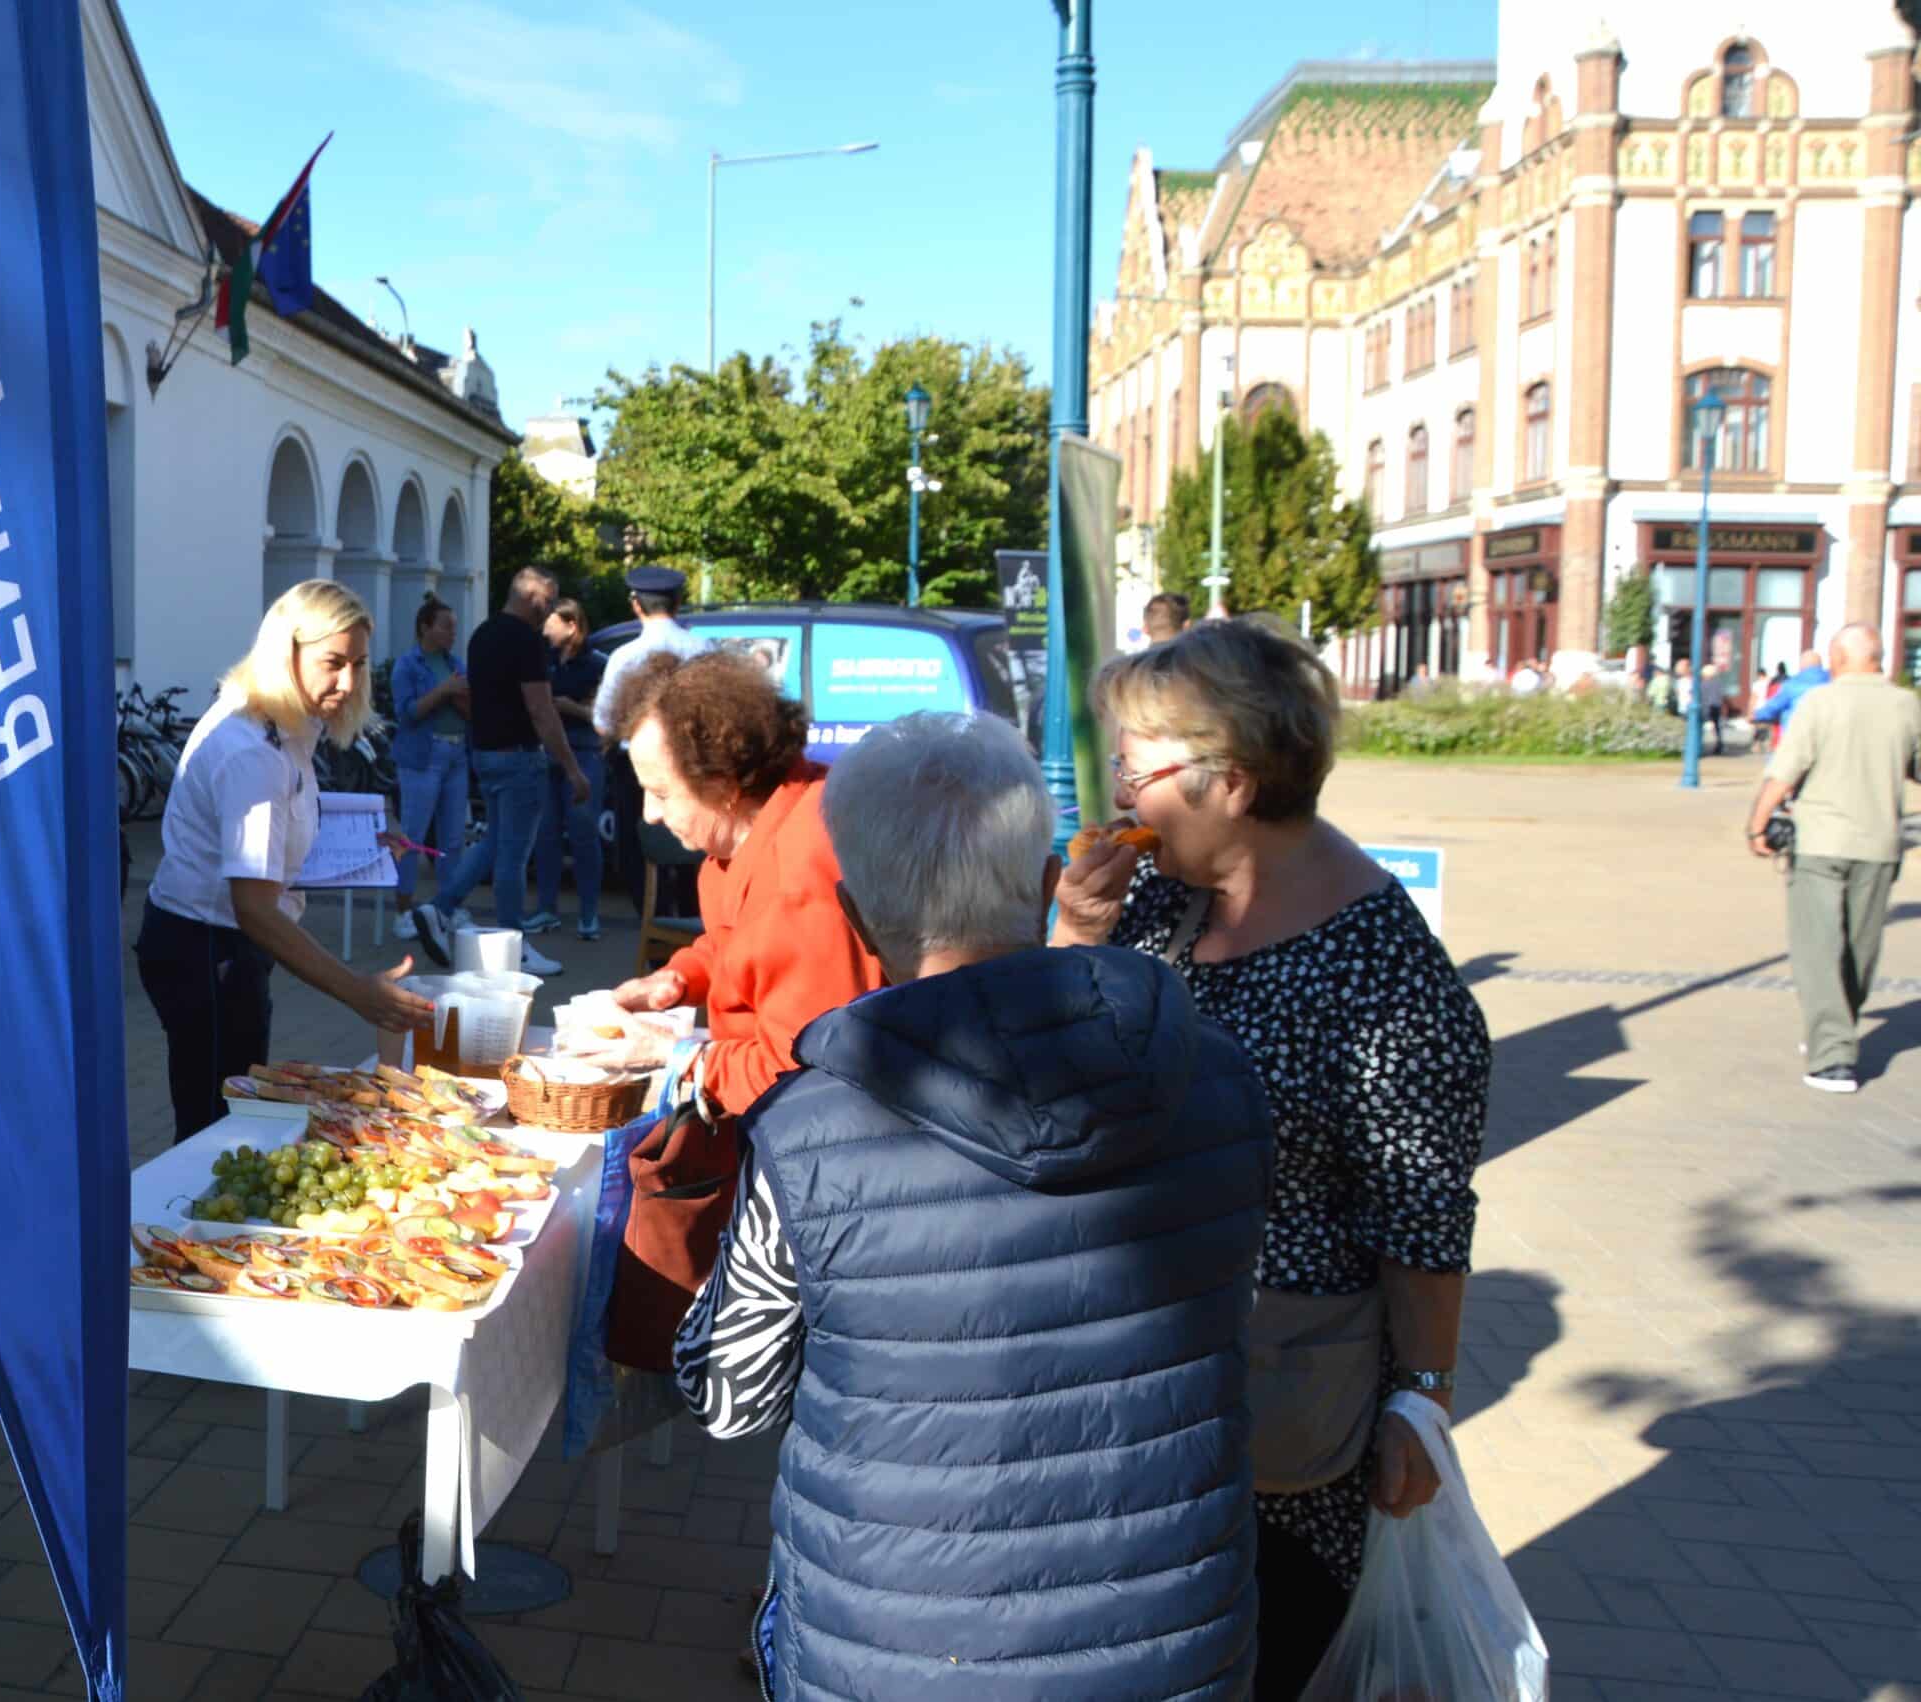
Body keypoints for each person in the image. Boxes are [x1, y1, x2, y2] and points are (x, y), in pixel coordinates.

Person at [678, 710, 1269, 1700]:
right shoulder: (1219, 1079)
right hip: (1173, 1645)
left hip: (896, 1652)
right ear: (1045, 886)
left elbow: (728, 1396)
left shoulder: (808, 1130)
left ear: (856, 917)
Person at [1051, 618, 1493, 1698]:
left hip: (1280, 1416)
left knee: (1258, 1657)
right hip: (1135, 1381)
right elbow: (1062, 1078)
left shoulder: (1387, 978)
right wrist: (1073, 939)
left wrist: (1422, 1399)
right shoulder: (1162, 895)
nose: (1118, 795)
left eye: (1136, 771)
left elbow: (1421, 1217)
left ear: (1234, 783)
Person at [138, 580, 433, 1140]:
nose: (349, 683)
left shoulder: (277, 723)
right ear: (286, 653)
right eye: (333, 663)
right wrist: (358, 992)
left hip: (213, 945)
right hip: (208, 952)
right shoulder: (253, 752)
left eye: (359, 665)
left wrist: (358, 834)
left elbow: (275, 826)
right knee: (216, 1131)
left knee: (225, 1116)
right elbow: (255, 908)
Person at [610, 648, 883, 1118]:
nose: (649, 814)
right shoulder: (744, 843)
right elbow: (738, 947)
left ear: (724, 785)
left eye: (661, 793)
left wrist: (676, 1056)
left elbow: (807, 1077)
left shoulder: (802, 870)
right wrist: (678, 978)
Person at [1746, 624, 1921, 1094]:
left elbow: (1785, 771)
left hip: (1821, 843)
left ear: (1838, 657)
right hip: (1879, 844)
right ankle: (1835, 1031)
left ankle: (1832, 1057)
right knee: (1861, 947)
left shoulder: (1819, 703)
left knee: (1819, 950)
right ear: (1878, 658)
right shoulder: (1906, 705)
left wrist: (1757, 824)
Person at [407, 567, 588, 976]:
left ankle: (440, 909)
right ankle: (512, 945)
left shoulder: (482, 635)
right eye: (548, 600)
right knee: (513, 856)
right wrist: (573, 769)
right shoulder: (526, 640)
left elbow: (479, 698)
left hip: (486, 754)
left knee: (494, 843)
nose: (549, 610)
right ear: (532, 596)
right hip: (519, 757)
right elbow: (541, 709)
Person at [387, 596, 470, 941]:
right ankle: (403, 911)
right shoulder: (408, 665)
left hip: (457, 753)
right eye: (446, 626)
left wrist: (461, 696)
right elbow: (407, 713)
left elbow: (470, 710)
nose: (453, 632)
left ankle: (447, 908)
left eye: (454, 627)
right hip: (423, 756)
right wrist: (445, 690)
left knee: (453, 837)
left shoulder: (456, 664)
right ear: (425, 627)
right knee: (413, 836)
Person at [524, 599, 607, 942]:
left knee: (583, 830)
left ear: (572, 626)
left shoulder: (598, 664)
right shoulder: (544, 660)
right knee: (545, 833)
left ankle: (589, 914)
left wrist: (573, 708)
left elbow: (605, 718)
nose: (545, 628)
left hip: (584, 753)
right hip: (547, 754)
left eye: (551, 622)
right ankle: (547, 908)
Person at [593, 564, 708, 741]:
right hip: (692, 750)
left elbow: (603, 723)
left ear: (636, 605)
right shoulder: (704, 648)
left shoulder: (624, 656)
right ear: (677, 603)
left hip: (636, 752)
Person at [1751, 646, 1830, 752]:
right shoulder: (1832, 681)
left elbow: (1773, 707)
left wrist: (1755, 715)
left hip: (1795, 742)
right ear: (1821, 665)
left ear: (1801, 666)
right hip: (1826, 744)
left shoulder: (1792, 684)